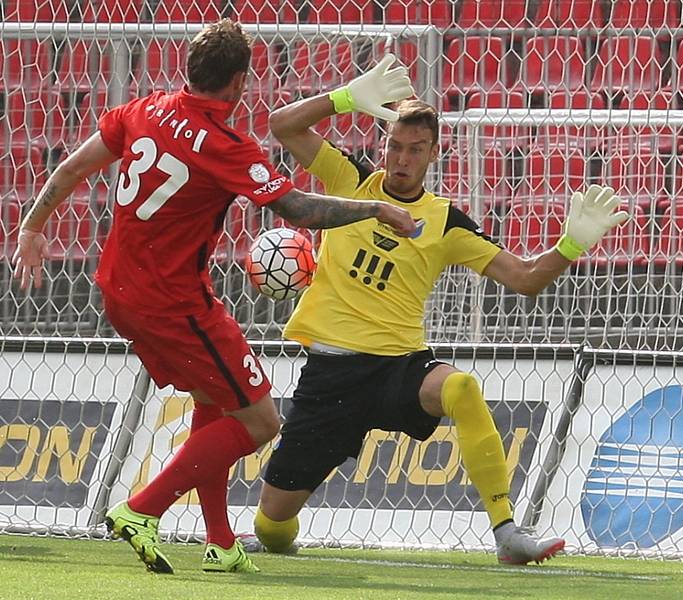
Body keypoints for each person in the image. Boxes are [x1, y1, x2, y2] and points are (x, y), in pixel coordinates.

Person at [11, 20, 416, 575]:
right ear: (240, 82)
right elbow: (297, 211)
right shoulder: (227, 146)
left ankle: (220, 540)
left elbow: (72, 167)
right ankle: (141, 508)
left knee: (214, 397)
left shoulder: (143, 109)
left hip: (120, 286)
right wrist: (376, 208)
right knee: (260, 420)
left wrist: (33, 227)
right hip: (172, 302)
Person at [252, 55, 630, 565]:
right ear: (384, 146)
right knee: (271, 528)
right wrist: (343, 98)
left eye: (415, 150)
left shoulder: (446, 221)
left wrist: (571, 245)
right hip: (331, 376)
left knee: (459, 387)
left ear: (433, 154)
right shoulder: (351, 181)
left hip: (397, 367)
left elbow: (523, 280)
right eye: (395, 146)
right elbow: (281, 125)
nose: (402, 159)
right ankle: (276, 529)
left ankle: (507, 533)